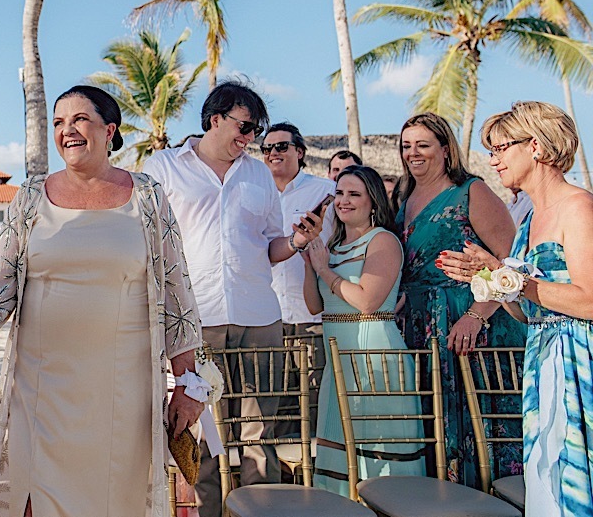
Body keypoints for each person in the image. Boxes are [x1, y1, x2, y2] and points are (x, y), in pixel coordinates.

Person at [0, 85, 212, 517]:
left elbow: (176, 292)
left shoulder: (148, 197)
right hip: (41, 388)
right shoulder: (29, 198)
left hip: (124, 392)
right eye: (59, 122)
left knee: (117, 501)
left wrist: (188, 383)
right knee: (33, 499)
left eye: (80, 119)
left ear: (109, 130)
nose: (67, 130)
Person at [143, 81, 322, 517]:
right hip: (194, 318)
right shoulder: (162, 167)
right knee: (202, 428)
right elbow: (144, 242)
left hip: (259, 313)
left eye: (256, 130)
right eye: (245, 126)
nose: (250, 138)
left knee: (261, 432)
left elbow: (269, 247)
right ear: (215, 118)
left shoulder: (258, 173)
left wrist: (297, 241)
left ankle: (260, 512)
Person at [440, 102, 593, 516]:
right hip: (543, 355)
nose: (493, 160)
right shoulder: (528, 220)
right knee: (546, 475)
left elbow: (590, 300)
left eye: (500, 148)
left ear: (537, 147)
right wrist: (492, 282)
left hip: (580, 361)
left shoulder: (578, 208)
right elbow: (528, 312)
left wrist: (515, 279)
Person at [394, 112, 525, 486]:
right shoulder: (404, 197)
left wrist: (475, 315)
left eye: (423, 145)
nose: (413, 153)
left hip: (470, 324)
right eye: (406, 146)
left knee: (478, 422)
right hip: (420, 326)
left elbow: (513, 264)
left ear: (445, 148)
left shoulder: (471, 190)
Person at [302, 165, 425, 493]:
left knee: (378, 453)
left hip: (373, 354)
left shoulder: (383, 241)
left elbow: (368, 301)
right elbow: (315, 306)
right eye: (339, 193)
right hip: (337, 356)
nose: (343, 201)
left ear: (374, 201)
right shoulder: (334, 245)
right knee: (341, 451)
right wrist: (309, 265)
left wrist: (324, 270)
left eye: (354, 194)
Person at [261, 122, 334, 414]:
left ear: (300, 152)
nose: (273, 153)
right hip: (266, 317)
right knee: (272, 407)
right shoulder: (256, 193)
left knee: (314, 403)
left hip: (310, 315)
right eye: (267, 149)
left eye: (281, 146)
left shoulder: (326, 191)